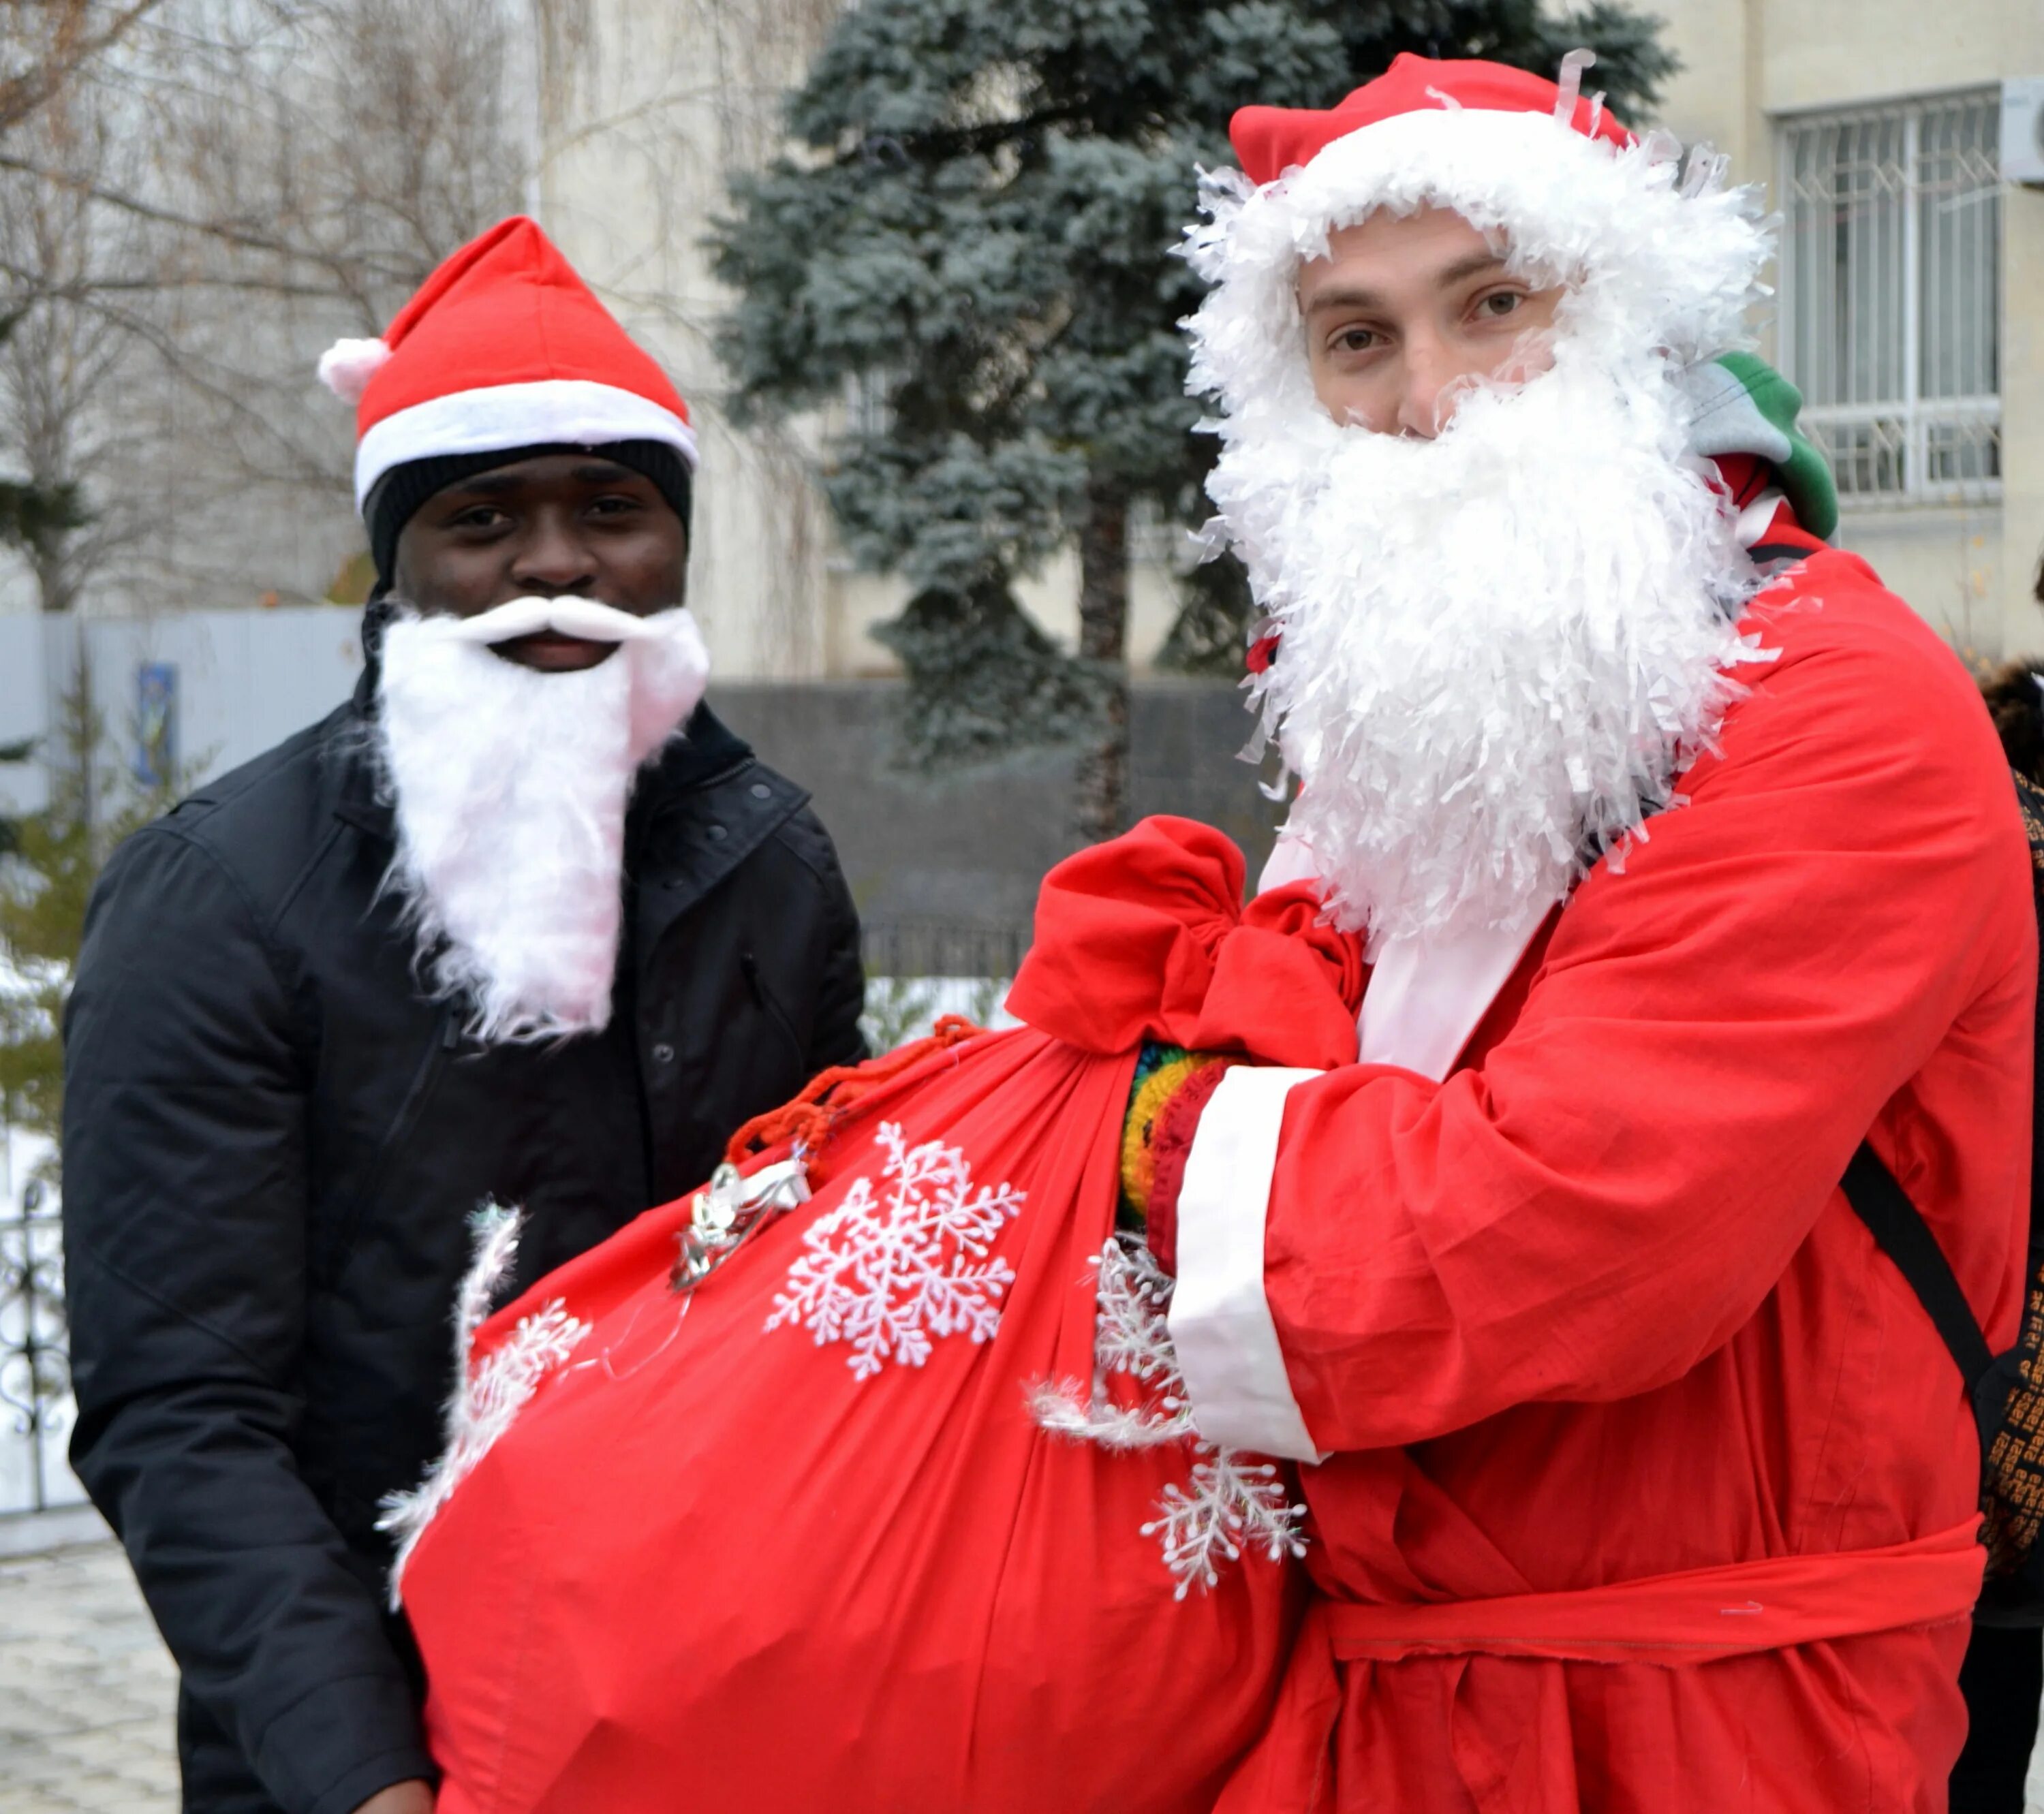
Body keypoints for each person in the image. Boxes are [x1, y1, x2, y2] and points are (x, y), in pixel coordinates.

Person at [1115, 54, 2035, 1810]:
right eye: (1358, 339)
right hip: (1372, 1706)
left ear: (1625, 323)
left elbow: (1548, 1234)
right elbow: (1275, 1070)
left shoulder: (1832, 704)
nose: (1431, 398)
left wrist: (1132, 1146)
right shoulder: (1413, 733)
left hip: (1718, 1731)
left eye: (1494, 303)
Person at [61, 217, 866, 1814]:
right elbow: (183, 1412)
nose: (558, 562)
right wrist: (365, 1774)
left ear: (676, 546)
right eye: (485, 517)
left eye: (613, 511)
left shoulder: (772, 860)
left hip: (720, 1713)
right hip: (371, 1741)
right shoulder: (219, 894)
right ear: (402, 559)